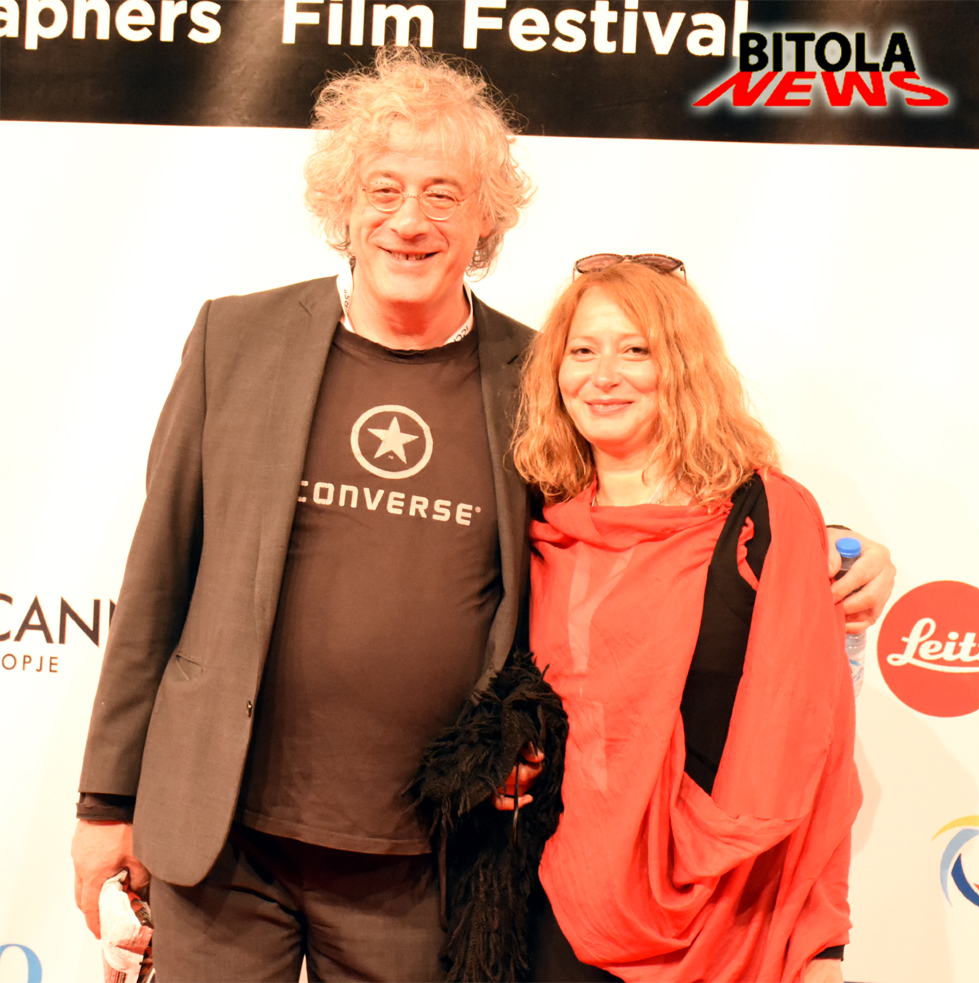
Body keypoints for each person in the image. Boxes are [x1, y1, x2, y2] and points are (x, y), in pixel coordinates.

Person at [70, 49, 892, 982]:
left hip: (423, 856)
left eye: (443, 195)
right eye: (384, 190)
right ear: (343, 206)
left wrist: (831, 549)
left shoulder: (537, 373)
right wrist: (106, 802)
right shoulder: (237, 339)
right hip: (222, 844)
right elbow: (157, 579)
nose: (409, 221)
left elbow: (653, 498)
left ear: (486, 219)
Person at [510, 255, 864, 983]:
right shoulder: (536, 518)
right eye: (583, 350)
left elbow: (818, 744)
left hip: (735, 912)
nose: (604, 375)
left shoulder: (766, 516)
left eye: (635, 350)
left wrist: (820, 943)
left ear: (683, 364)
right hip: (559, 904)